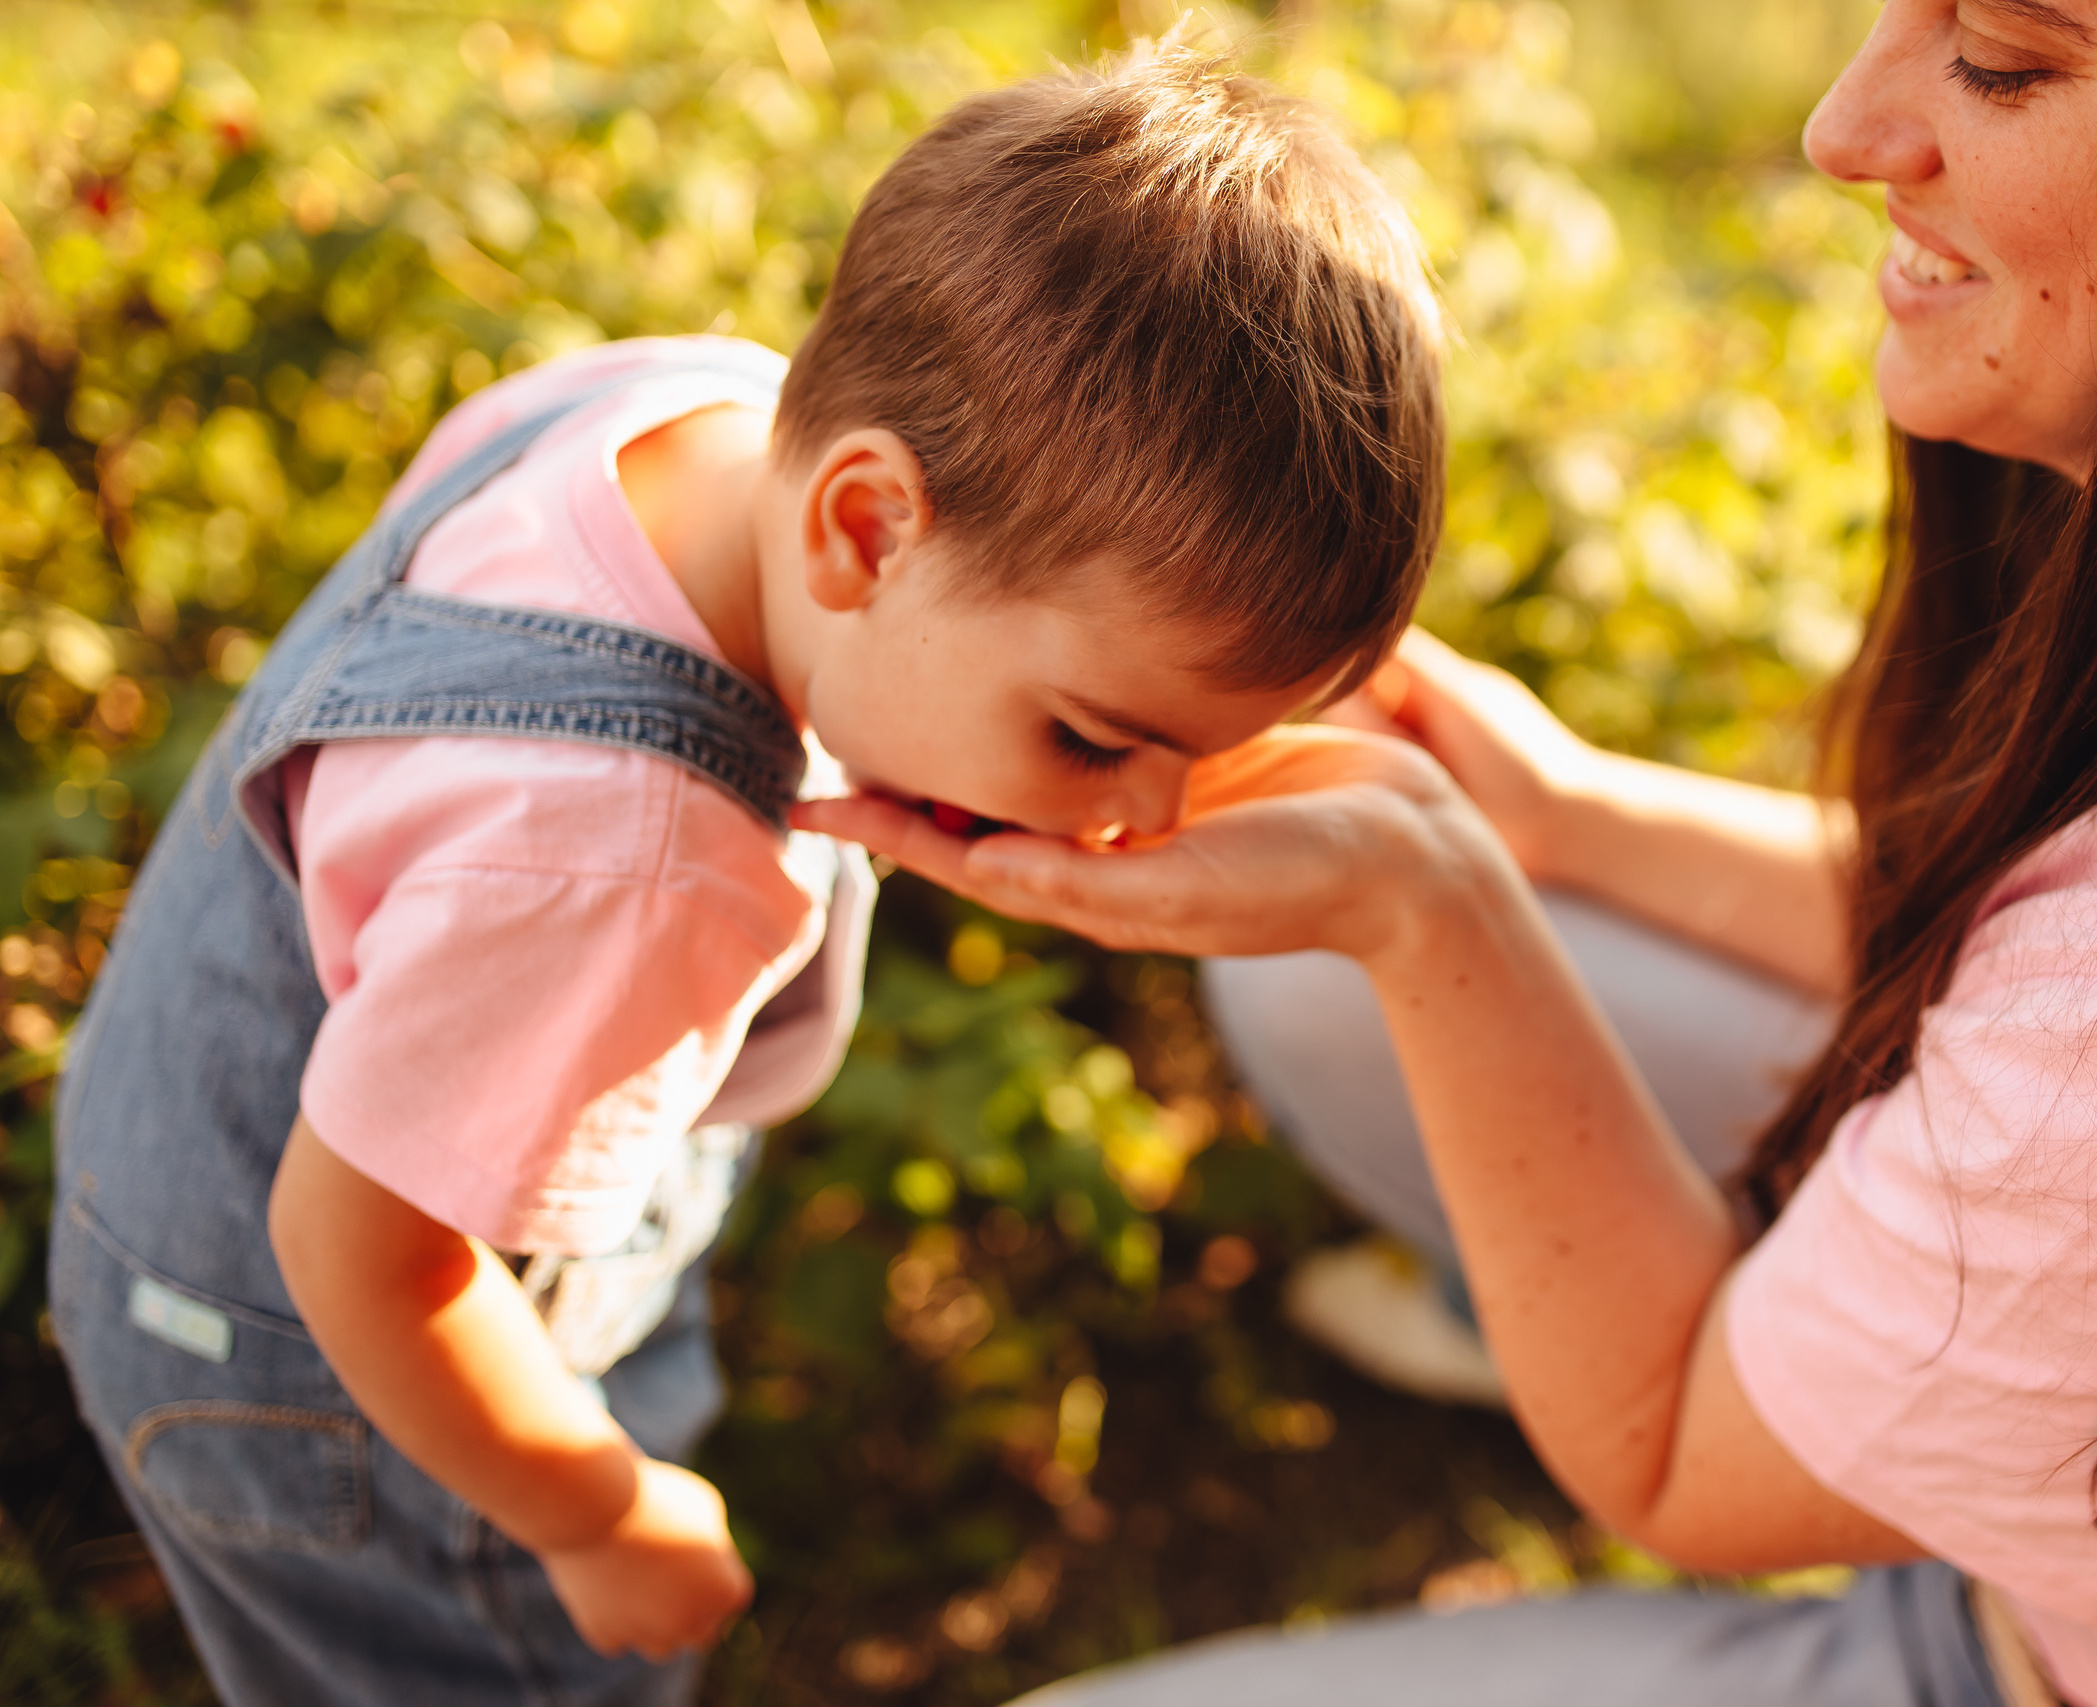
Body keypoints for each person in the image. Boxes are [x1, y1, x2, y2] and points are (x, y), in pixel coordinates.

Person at [804, 2, 2097, 1704]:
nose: (1841, 130)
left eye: (2001, 60)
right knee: (1322, 997)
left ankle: (1834, 1405)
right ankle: (1866, 1373)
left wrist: (1430, 904)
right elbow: (2064, 956)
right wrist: (1565, 812)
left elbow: (1676, 1457)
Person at [47, 45, 1443, 1706]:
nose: (1145, 812)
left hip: (187, 1155)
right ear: (866, 530)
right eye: (1094, 738)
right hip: (354, 1394)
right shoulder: (631, 861)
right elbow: (368, 1256)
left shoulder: (684, 413)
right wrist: (595, 1509)